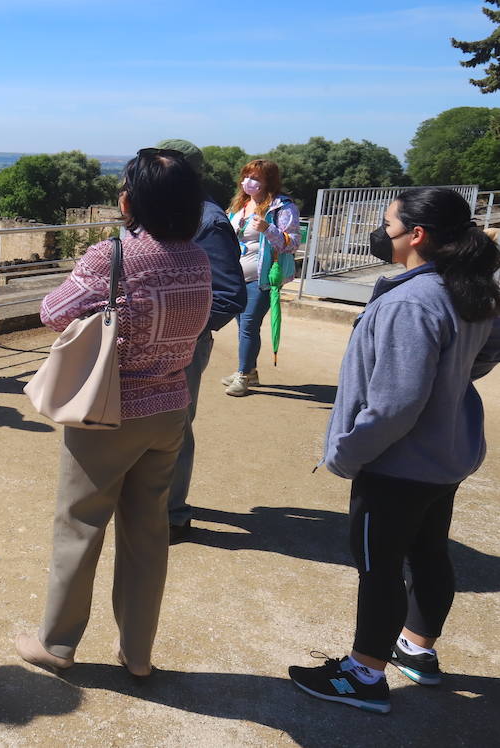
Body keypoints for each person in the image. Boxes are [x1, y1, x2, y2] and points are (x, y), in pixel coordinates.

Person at [289, 188, 500, 714]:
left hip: (397, 464)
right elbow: (484, 356)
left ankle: (364, 673)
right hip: (443, 455)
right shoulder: (467, 289)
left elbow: (394, 406)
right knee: (428, 552)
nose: (382, 233)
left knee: (378, 566)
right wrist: (450, 384)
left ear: (417, 235)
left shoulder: (411, 301)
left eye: (388, 224)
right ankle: (417, 648)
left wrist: (346, 453)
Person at [14, 149, 211, 678]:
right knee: (149, 532)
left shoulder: (113, 256)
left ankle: (56, 643)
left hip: (110, 411)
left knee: (79, 524)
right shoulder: (197, 258)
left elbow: (53, 311)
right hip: (170, 410)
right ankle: (139, 654)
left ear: (130, 201)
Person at [153, 139, 248, 543]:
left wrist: (183, 328)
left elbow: (230, 295)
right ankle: (156, 504)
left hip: (184, 343)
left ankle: (173, 516)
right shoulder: (173, 212)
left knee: (174, 425)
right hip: (156, 340)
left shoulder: (207, 220)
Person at [223, 159, 301, 397]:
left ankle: (243, 376)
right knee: (243, 327)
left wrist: (268, 228)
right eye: (247, 176)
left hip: (262, 279)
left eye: (256, 178)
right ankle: (250, 370)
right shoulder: (240, 205)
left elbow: (293, 243)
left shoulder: (282, 207)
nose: (249, 182)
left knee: (248, 325)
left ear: (269, 181)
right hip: (236, 277)